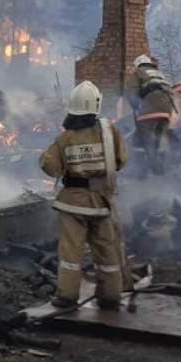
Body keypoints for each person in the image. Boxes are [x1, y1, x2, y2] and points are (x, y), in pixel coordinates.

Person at [39, 80, 129, 310]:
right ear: (96, 105)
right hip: (101, 201)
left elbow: (51, 168)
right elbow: (122, 160)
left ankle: (67, 297)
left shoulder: (65, 139)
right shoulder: (110, 132)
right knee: (107, 250)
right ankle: (110, 296)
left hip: (73, 205)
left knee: (70, 252)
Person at [130, 54, 176, 174]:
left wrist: (137, 108)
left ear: (138, 65)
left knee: (146, 137)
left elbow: (131, 93)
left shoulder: (137, 73)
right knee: (159, 138)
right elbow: (170, 92)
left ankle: (151, 167)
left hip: (150, 108)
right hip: (167, 110)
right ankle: (161, 167)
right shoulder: (158, 73)